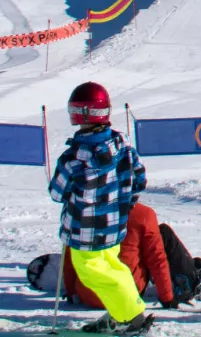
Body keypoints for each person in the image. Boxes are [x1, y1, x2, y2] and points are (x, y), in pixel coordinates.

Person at [49, 82, 153, 335]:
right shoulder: (123, 146)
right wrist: (123, 202)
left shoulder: (75, 157)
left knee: (94, 273)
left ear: (79, 113)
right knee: (112, 267)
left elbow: (56, 192)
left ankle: (131, 316)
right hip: (114, 225)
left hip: (84, 232)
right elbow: (139, 179)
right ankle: (122, 313)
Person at [61, 202, 181, 314]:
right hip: (127, 295)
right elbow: (156, 259)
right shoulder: (143, 214)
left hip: (88, 294)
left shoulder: (84, 211)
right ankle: (186, 281)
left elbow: (70, 255)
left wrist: (72, 292)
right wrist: (167, 298)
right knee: (162, 236)